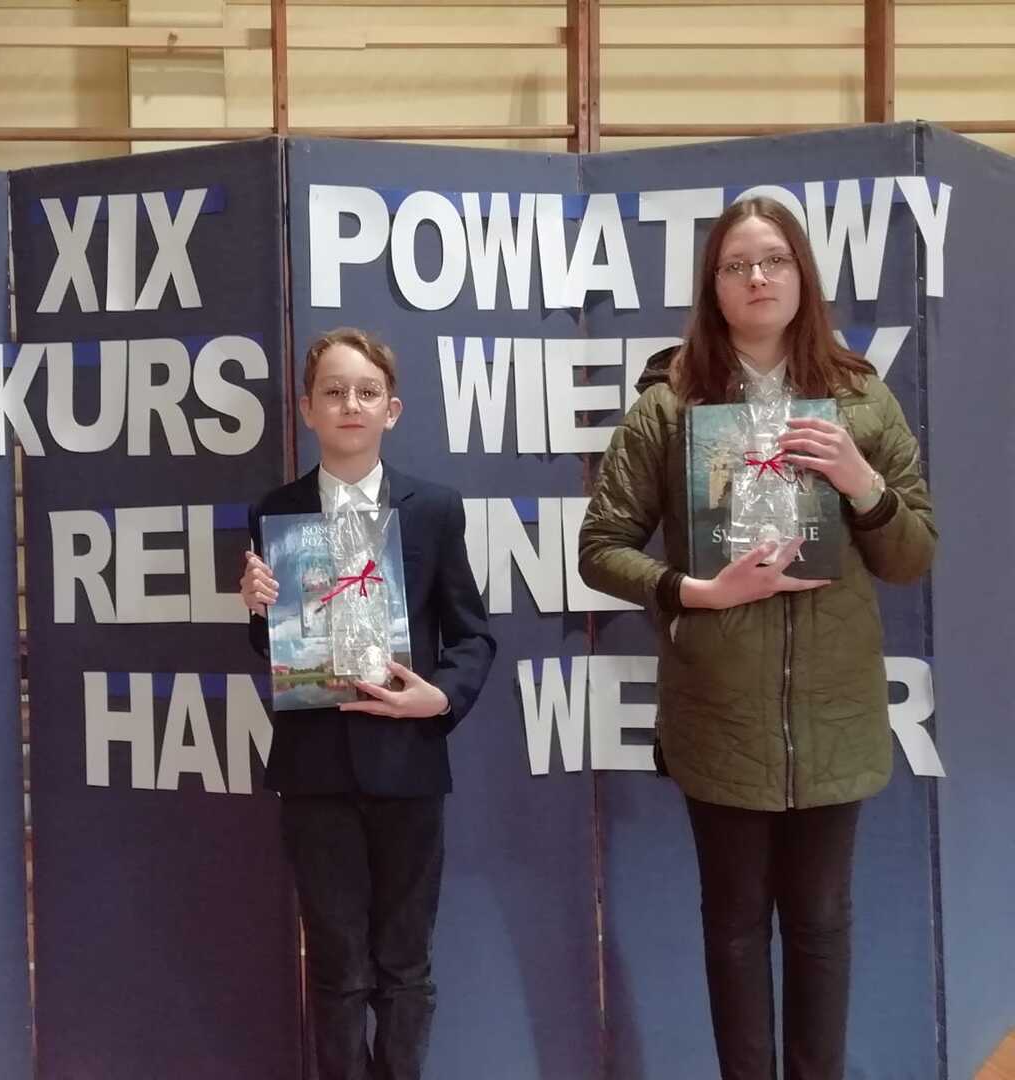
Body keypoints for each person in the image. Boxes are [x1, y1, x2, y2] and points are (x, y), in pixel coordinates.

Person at [578, 197, 936, 1080]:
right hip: (720, 716)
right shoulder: (671, 406)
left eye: (773, 260)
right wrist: (693, 591)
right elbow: (601, 547)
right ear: (714, 287)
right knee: (734, 927)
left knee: (821, 923)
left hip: (835, 717)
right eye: (736, 265)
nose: (757, 278)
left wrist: (861, 483)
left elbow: (913, 556)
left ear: (802, 274)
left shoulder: (861, 399)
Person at [240, 328, 496, 1080]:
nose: (350, 403)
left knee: (405, 966)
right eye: (333, 391)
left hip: (408, 764)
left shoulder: (433, 509)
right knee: (337, 966)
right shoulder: (277, 511)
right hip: (315, 771)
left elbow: (473, 635)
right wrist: (257, 609)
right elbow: (275, 647)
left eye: (366, 391)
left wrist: (439, 699)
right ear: (307, 409)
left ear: (392, 409)